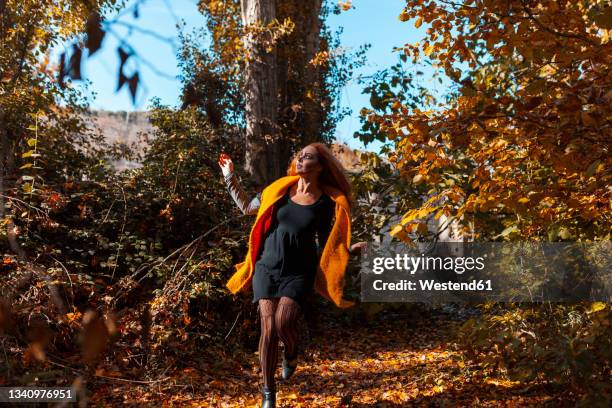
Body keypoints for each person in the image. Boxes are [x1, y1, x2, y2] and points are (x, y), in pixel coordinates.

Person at [218, 143, 367, 408]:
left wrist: (349, 250)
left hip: (299, 271)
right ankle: (268, 393)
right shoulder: (279, 189)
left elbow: (329, 242)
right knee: (268, 328)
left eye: (307, 157)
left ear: (320, 167)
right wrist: (230, 176)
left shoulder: (326, 203)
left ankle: (293, 351)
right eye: (299, 156)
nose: (300, 160)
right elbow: (246, 207)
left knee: (284, 321)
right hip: (267, 266)